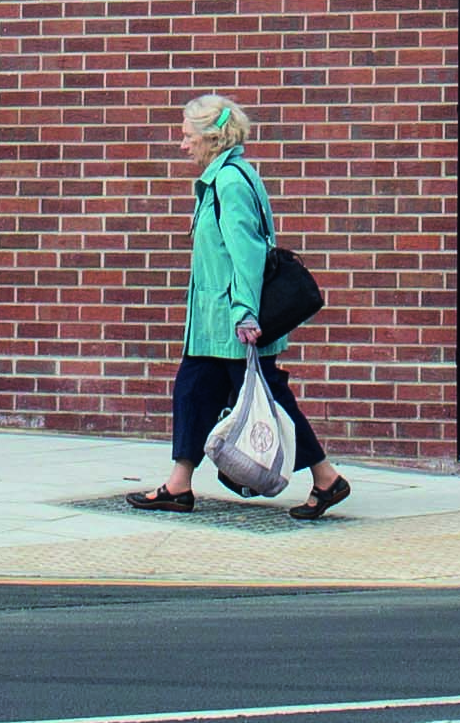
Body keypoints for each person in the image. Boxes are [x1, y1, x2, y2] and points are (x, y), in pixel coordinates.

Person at [129, 93, 346, 520]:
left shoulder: (229, 183)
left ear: (211, 138)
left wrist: (245, 311)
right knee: (192, 393)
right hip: (211, 326)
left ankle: (326, 479)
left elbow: (246, 252)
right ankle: (179, 484)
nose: (183, 144)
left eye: (188, 136)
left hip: (231, 322)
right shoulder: (223, 178)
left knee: (270, 401)